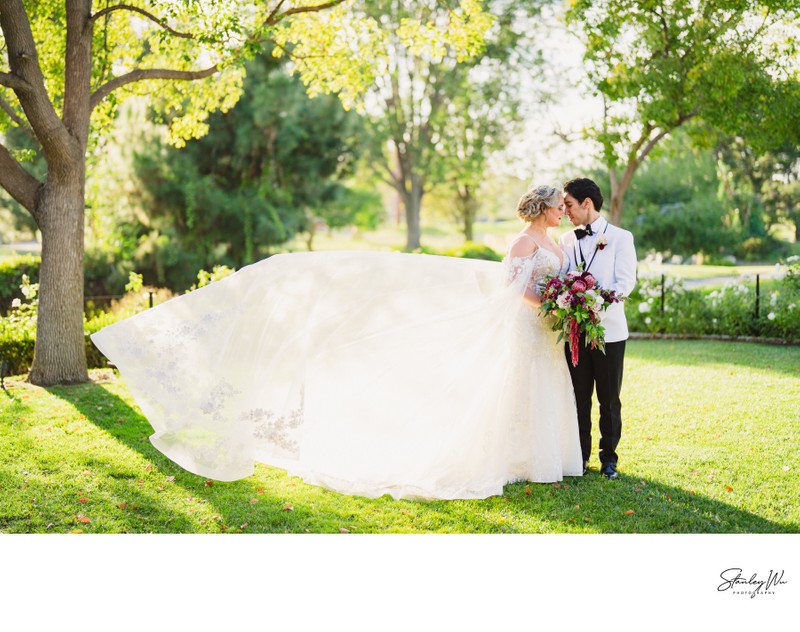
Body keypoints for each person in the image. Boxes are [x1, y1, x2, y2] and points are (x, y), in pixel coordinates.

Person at [91, 185, 582, 501]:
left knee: (539, 389)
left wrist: (564, 304)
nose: (564, 211)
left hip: (547, 333)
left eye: (565, 206)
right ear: (543, 207)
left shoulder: (557, 245)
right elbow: (514, 291)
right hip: (527, 326)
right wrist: (553, 306)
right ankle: (519, 461)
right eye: (559, 206)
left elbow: (548, 283)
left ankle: (536, 458)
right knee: (520, 386)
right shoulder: (523, 243)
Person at [558, 178, 637, 480]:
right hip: (575, 333)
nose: (565, 211)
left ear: (586, 203)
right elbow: (563, 278)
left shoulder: (621, 238)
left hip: (610, 333)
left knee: (609, 399)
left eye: (568, 205)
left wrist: (595, 307)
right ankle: (580, 456)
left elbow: (624, 284)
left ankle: (609, 459)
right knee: (578, 398)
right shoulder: (566, 241)